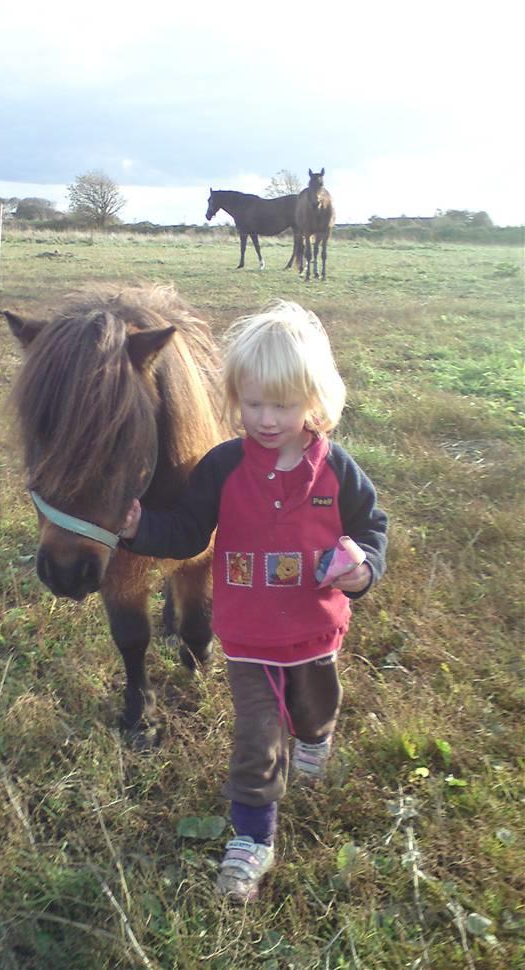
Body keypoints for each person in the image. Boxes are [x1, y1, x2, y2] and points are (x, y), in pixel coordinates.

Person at [120, 300, 388, 904]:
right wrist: (142, 528)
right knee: (257, 738)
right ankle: (251, 839)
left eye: (283, 405)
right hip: (246, 637)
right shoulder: (222, 466)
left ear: (314, 402)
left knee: (313, 709)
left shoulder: (335, 469)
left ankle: (316, 740)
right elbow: (190, 533)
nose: (266, 419)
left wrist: (364, 566)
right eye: (253, 404)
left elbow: (372, 524)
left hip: (316, 631)